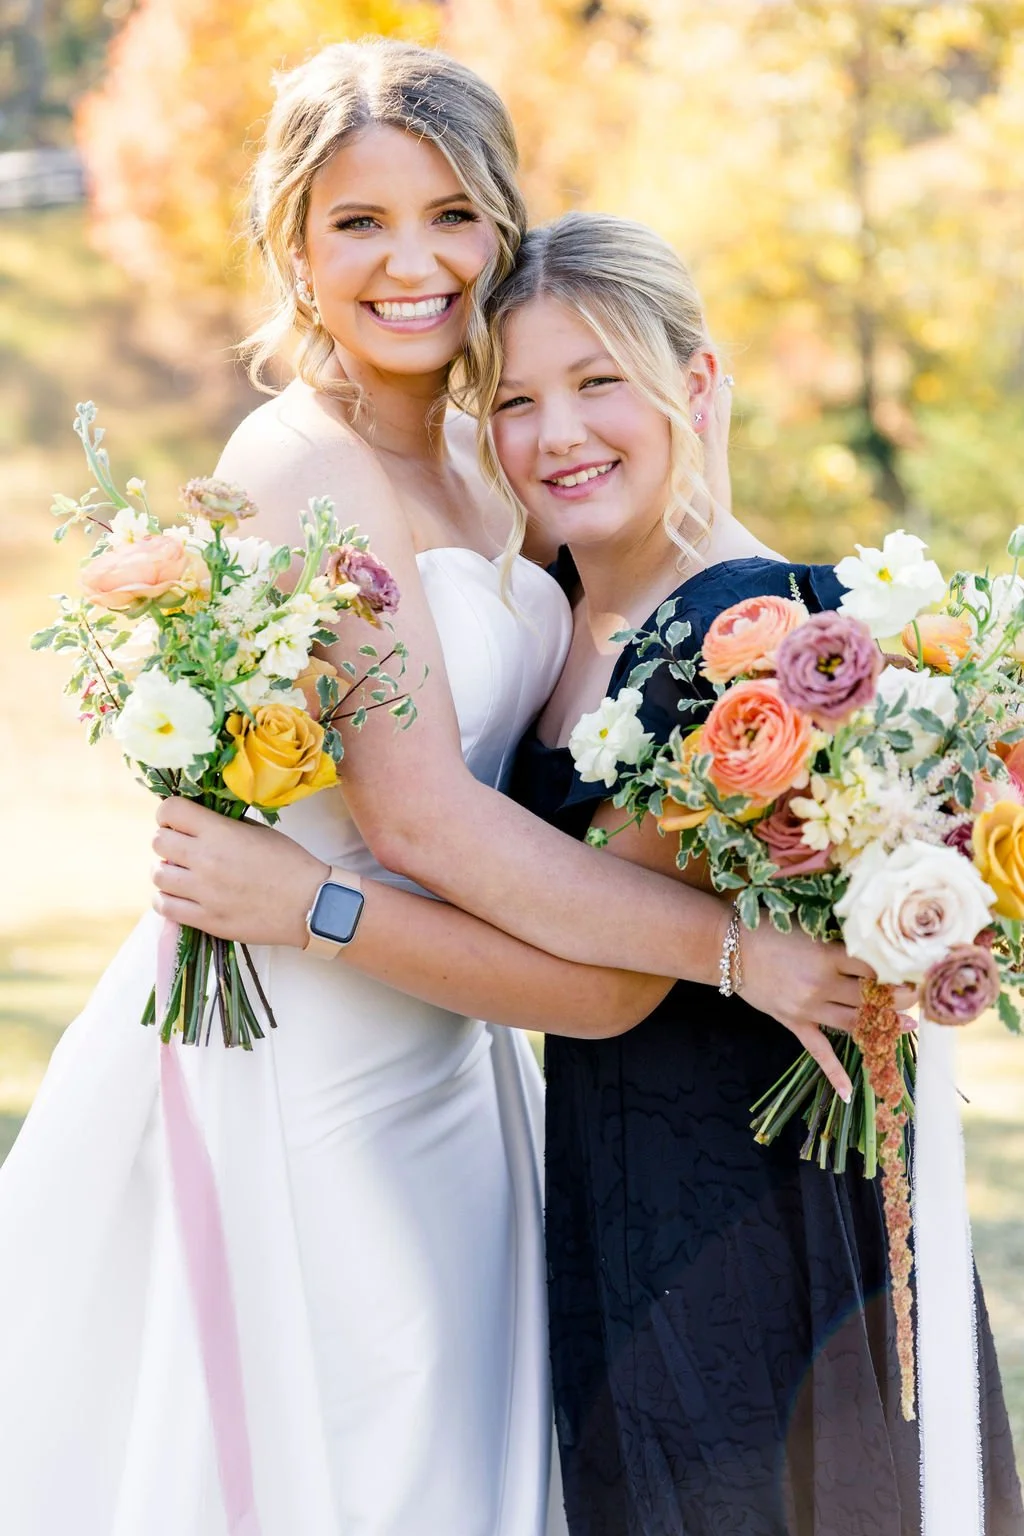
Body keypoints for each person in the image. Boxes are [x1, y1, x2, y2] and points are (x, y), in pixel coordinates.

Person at [0, 39, 891, 1536]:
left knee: (464, 1448)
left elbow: (615, 662)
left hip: (463, 1038)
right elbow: (417, 814)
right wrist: (732, 955)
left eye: (452, 216)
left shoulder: (501, 458)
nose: (412, 263)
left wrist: (722, 518)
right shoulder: (296, 464)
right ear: (294, 240)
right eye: (359, 222)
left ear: (500, 223)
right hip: (307, 1030)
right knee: (342, 1457)